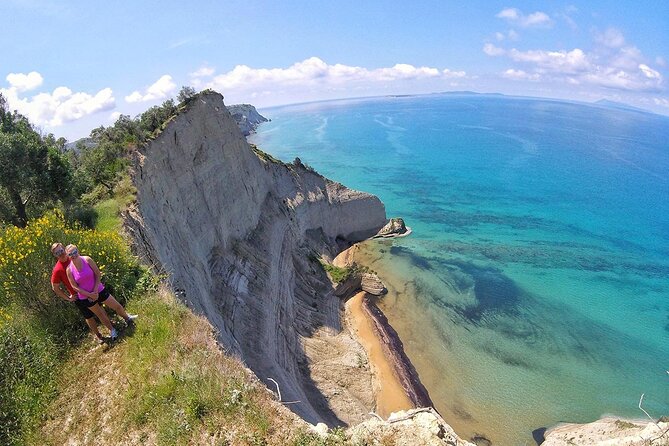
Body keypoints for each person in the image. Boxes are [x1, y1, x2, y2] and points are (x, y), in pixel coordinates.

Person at [63, 244, 137, 341]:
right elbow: (74, 287)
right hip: (85, 297)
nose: (73, 255)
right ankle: (112, 330)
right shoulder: (69, 269)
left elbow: (97, 274)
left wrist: (95, 291)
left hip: (99, 289)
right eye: (70, 254)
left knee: (117, 306)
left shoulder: (87, 259)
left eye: (75, 252)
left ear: (78, 251)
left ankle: (127, 318)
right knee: (101, 314)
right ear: (68, 256)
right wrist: (90, 295)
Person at [51, 242, 116, 343]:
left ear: (64, 249)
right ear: (54, 255)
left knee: (100, 311)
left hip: (91, 289)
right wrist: (68, 298)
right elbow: (55, 287)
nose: (60, 253)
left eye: (61, 250)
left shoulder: (72, 255)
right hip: (78, 296)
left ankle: (111, 327)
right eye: (57, 253)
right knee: (89, 317)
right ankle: (99, 335)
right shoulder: (57, 269)